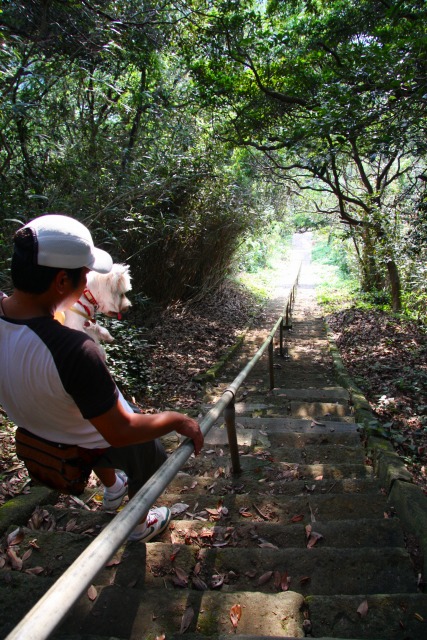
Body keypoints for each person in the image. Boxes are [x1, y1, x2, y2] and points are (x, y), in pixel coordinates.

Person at [0, 214, 204, 542]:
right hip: (86, 438)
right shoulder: (74, 350)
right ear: (62, 283)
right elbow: (121, 431)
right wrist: (178, 420)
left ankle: (113, 489)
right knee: (149, 449)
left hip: (40, 433)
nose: (88, 283)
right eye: (84, 274)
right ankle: (138, 524)